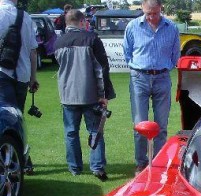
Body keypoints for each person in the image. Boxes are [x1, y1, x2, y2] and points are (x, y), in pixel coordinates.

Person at [54, 9, 115, 180]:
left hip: (67, 94)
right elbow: (102, 68)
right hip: (90, 95)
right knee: (95, 131)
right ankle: (97, 167)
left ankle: (74, 168)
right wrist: (104, 94)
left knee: (71, 132)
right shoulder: (92, 39)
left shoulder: (59, 42)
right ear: (82, 22)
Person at [123, 0, 180, 175]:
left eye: (155, 13)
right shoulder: (132, 27)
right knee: (140, 125)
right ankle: (141, 163)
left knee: (161, 125)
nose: (152, 17)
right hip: (139, 77)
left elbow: (175, 54)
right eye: (148, 13)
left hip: (162, 77)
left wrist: (165, 67)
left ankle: (158, 163)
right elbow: (127, 52)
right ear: (142, 9)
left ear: (161, 9)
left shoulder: (172, 27)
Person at [0, 0, 39, 174]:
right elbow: (33, 51)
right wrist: (33, 78)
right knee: (17, 117)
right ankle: (23, 158)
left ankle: (16, 159)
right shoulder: (26, 17)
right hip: (22, 75)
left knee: (5, 119)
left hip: (2, 73)